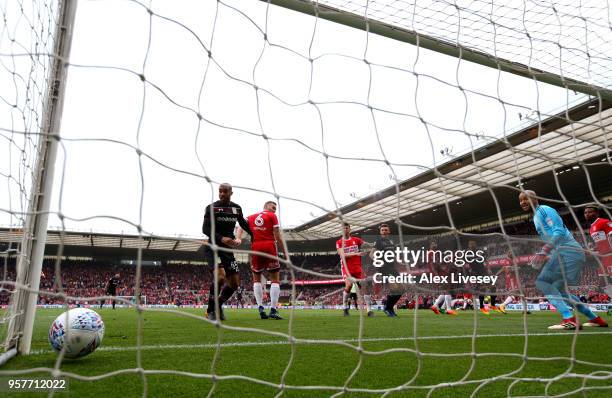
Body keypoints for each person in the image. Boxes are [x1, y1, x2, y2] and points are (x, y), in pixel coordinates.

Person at [519, 190, 606, 329]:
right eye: (521, 200)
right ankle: (595, 318)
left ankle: (569, 319)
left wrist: (544, 250)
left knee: (544, 283)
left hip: (568, 251)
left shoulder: (544, 210)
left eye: (526, 198)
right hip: (565, 252)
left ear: (535, 198)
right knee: (563, 292)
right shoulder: (536, 215)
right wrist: (548, 253)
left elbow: (558, 231)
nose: (523, 202)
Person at [202, 183, 252, 321]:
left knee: (234, 284)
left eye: (225, 191)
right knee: (219, 278)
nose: (222, 194)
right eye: (220, 191)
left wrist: (254, 236)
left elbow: (243, 223)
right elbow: (205, 229)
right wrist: (221, 238)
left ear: (231, 193)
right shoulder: (211, 208)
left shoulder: (236, 208)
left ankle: (217, 305)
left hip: (227, 250)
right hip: (212, 247)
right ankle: (210, 311)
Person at [236, 200, 289, 320]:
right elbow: (277, 235)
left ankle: (260, 307)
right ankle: (273, 310)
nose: (274, 209)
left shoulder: (251, 216)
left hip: (256, 247)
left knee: (256, 278)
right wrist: (285, 252)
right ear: (266, 206)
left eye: (275, 208)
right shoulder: (272, 216)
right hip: (269, 246)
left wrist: (238, 238)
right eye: (273, 206)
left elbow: (240, 225)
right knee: (275, 279)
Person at [337, 223, 373, 316]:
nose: (345, 230)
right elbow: (342, 255)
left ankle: (369, 311)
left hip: (358, 268)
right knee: (348, 285)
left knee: (366, 286)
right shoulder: (339, 242)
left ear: (350, 229)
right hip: (347, 268)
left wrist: (373, 244)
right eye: (343, 228)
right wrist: (356, 253)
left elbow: (366, 244)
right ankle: (345, 308)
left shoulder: (356, 240)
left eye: (346, 228)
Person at [370, 223, 403, 317]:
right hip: (383, 269)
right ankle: (388, 308)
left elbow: (394, 254)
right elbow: (371, 254)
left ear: (389, 231)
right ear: (380, 232)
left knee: (402, 288)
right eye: (382, 230)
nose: (384, 232)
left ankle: (389, 307)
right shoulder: (378, 242)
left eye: (386, 230)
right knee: (395, 288)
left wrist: (399, 261)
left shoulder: (391, 242)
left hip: (392, 268)